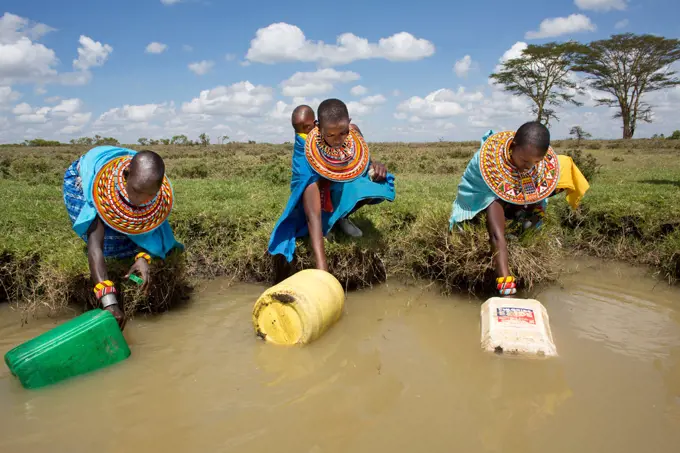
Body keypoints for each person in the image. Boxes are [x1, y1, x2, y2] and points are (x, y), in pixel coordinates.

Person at [449, 121, 590, 297]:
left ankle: (522, 216)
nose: (528, 167)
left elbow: (538, 175)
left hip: (514, 199)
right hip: (482, 197)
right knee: (496, 216)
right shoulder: (487, 165)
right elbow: (495, 235)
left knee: (564, 170)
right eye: (524, 160)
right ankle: (503, 280)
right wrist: (507, 290)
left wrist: (534, 197)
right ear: (513, 146)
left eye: (535, 162)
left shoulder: (533, 167)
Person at [63, 146, 183, 329]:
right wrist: (110, 303)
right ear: (126, 175)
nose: (140, 200)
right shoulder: (102, 192)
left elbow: (151, 229)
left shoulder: (155, 199)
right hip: (81, 180)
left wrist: (143, 257)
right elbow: (95, 247)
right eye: (135, 191)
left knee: (131, 236)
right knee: (110, 244)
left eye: (149, 195)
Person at [268, 99, 396, 272]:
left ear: (349, 124)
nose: (337, 140)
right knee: (315, 210)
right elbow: (312, 212)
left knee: (373, 186)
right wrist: (322, 267)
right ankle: (326, 225)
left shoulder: (354, 134)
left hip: (338, 188)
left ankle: (340, 217)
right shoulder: (306, 151)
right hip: (315, 199)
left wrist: (375, 166)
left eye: (343, 133)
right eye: (330, 135)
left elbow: (362, 162)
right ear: (318, 127)